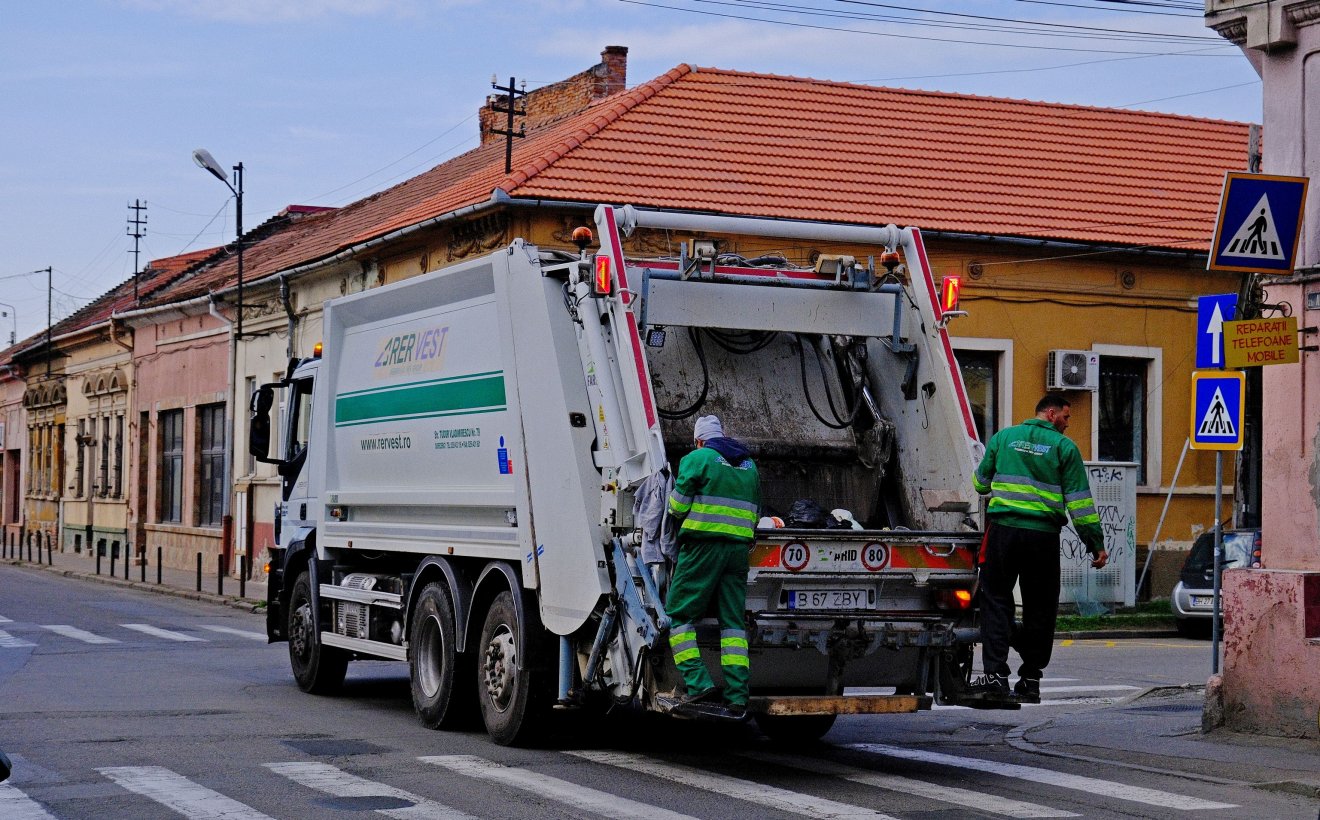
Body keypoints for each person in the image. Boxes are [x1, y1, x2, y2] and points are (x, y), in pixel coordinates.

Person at [967, 394, 1108, 704]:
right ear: (1050, 412)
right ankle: (1030, 681)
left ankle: (995, 678)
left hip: (1003, 533)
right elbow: (1080, 503)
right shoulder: (1064, 448)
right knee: (1041, 608)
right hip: (1042, 538)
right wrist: (1094, 543)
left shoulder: (1003, 438)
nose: (1068, 424)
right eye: (1066, 418)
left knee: (996, 601)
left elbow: (980, 484)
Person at [665, 414, 761, 718]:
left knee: (679, 616)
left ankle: (697, 683)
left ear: (699, 440)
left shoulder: (698, 458)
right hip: (737, 552)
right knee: (732, 625)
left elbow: (677, 507)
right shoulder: (749, 465)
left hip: (703, 549)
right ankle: (737, 697)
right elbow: (755, 512)